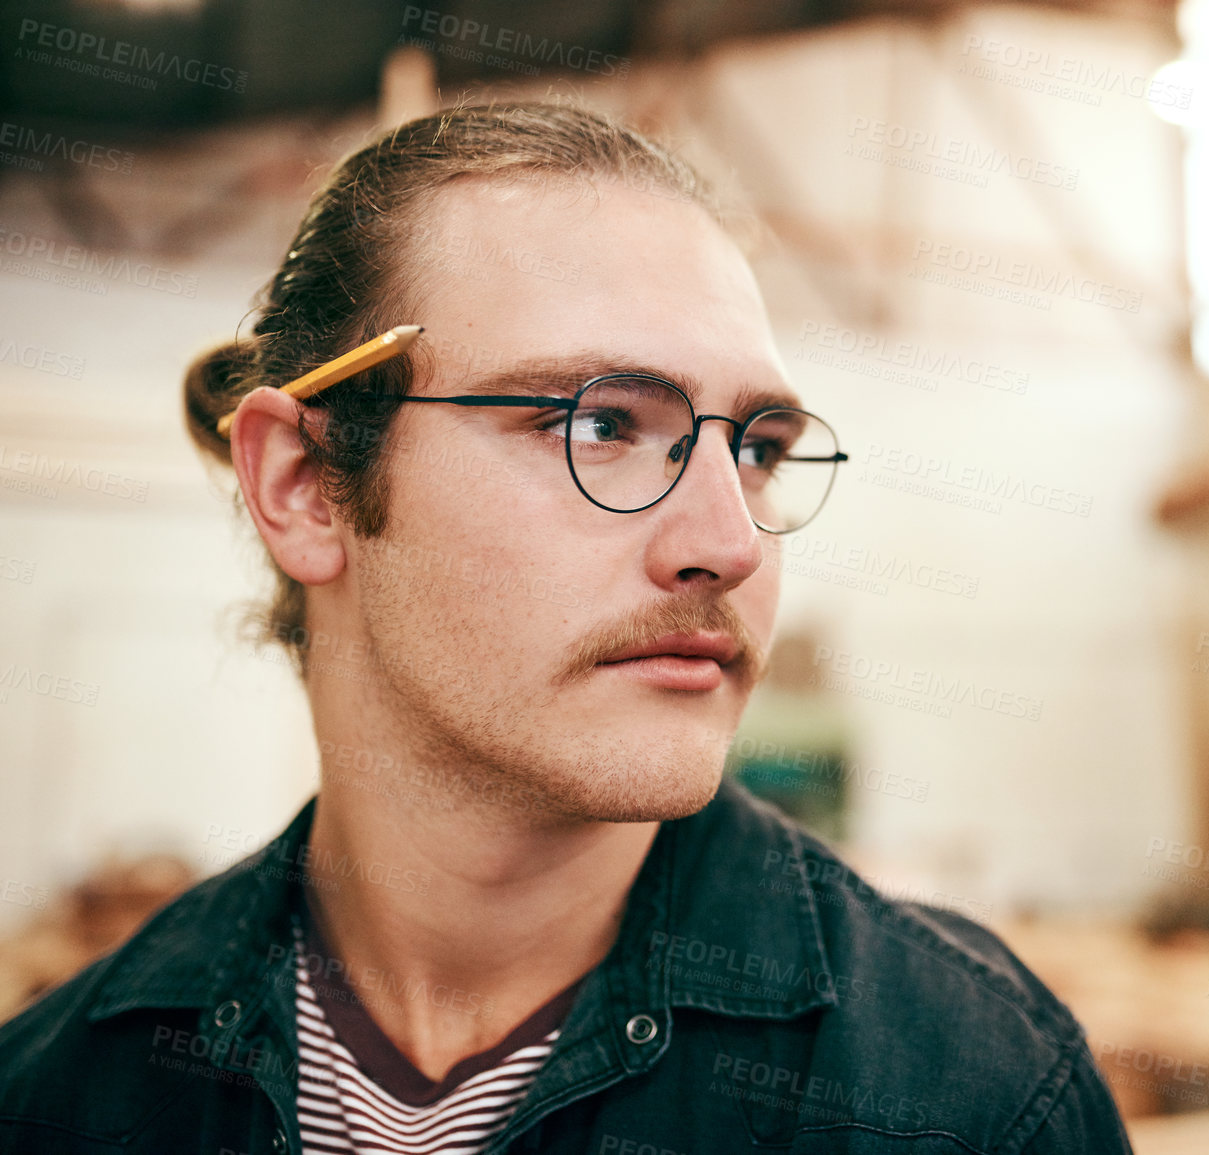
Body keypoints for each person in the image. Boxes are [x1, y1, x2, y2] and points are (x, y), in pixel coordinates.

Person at [0, 102, 1133, 1153]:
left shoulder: (967, 1095)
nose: (731, 542)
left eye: (760, 449)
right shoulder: (64, 1100)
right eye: (598, 424)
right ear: (303, 484)